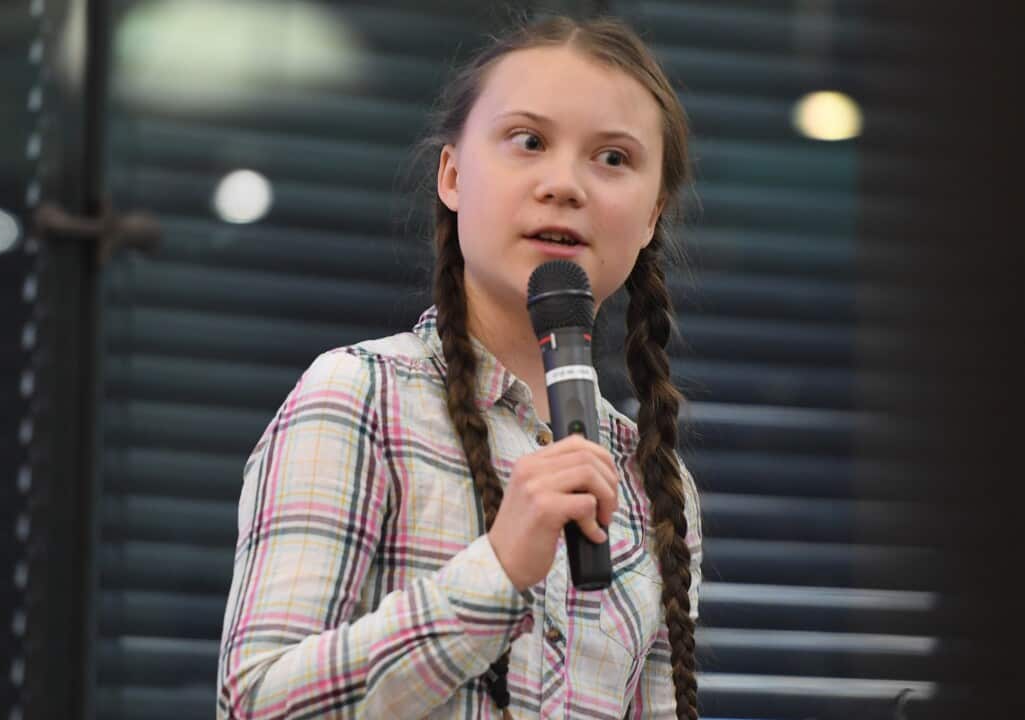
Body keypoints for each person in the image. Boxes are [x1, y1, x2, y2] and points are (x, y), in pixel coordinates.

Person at [217, 15, 702, 720]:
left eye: (613, 158)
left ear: (652, 215)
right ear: (452, 175)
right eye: (528, 141)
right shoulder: (360, 398)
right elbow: (255, 705)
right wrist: (496, 572)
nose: (564, 184)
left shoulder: (655, 482)